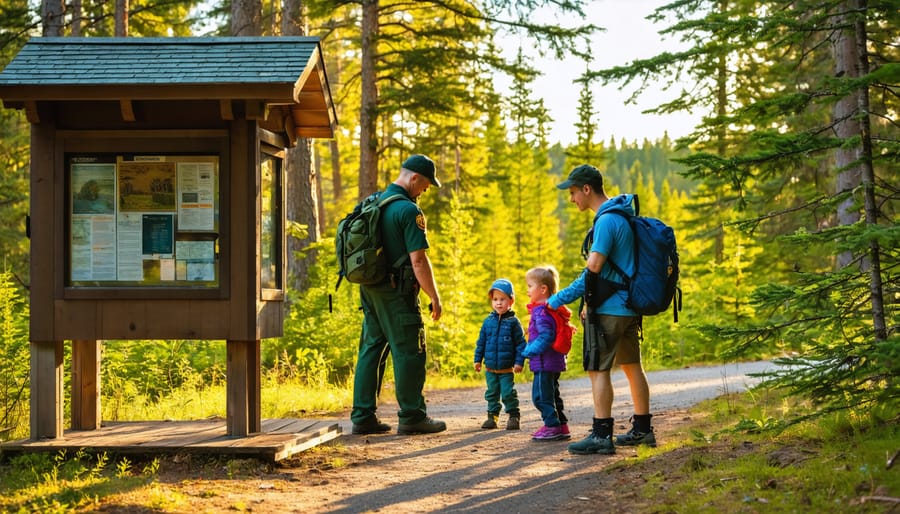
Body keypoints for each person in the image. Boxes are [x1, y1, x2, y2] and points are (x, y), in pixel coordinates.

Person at [548, 164, 655, 455]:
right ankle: (643, 430)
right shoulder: (623, 215)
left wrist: (560, 299)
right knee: (633, 367)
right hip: (629, 306)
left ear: (586, 189)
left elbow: (594, 268)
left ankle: (601, 435)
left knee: (598, 370)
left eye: (573, 193)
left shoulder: (607, 221)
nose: (572, 200)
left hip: (609, 309)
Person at [350, 154, 447, 436]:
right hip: (397, 292)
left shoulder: (374, 202)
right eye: (426, 185)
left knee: (371, 349)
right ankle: (413, 416)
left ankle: (363, 416)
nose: (425, 191)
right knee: (409, 351)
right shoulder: (408, 211)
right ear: (414, 178)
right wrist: (434, 296)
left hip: (370, 289)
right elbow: (418, 260)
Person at [522, 265, 570, 441]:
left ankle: (551, 426)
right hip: (552, 361)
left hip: (544, 361)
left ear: (543, 289)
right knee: (552, 394)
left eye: (529, 286)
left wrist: (527, 351)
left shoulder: (541, 311)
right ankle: (561, 425)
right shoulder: (549, 309)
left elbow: (546, 336)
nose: (527, 290)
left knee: (540, 397)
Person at [473, 278, 526, 430]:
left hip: (506, 368)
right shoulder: (487, 322)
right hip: (490, 368)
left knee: (508, 393)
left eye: (502, 299)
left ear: (511, 300)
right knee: (491, 393)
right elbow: (481, 342)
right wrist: (478, 360)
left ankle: (514, 416)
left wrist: (519, 362)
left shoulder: (514, 322)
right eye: (495, 299)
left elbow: (521, 344)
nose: (498, 303)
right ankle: (492, 417)